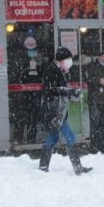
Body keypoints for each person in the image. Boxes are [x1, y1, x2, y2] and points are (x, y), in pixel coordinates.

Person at [39, 47, 93, 175]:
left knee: (53, 136)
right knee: (70, 136)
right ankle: (78, 168)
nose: (70, 61)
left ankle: (43, 166)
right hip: (54, 111)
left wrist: (71, 93)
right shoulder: (51, 70)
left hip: (57, 110)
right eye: (68, 59)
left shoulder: (59, 70)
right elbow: (51, 90)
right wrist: (68, 91)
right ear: (61, 60)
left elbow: (59, 89)